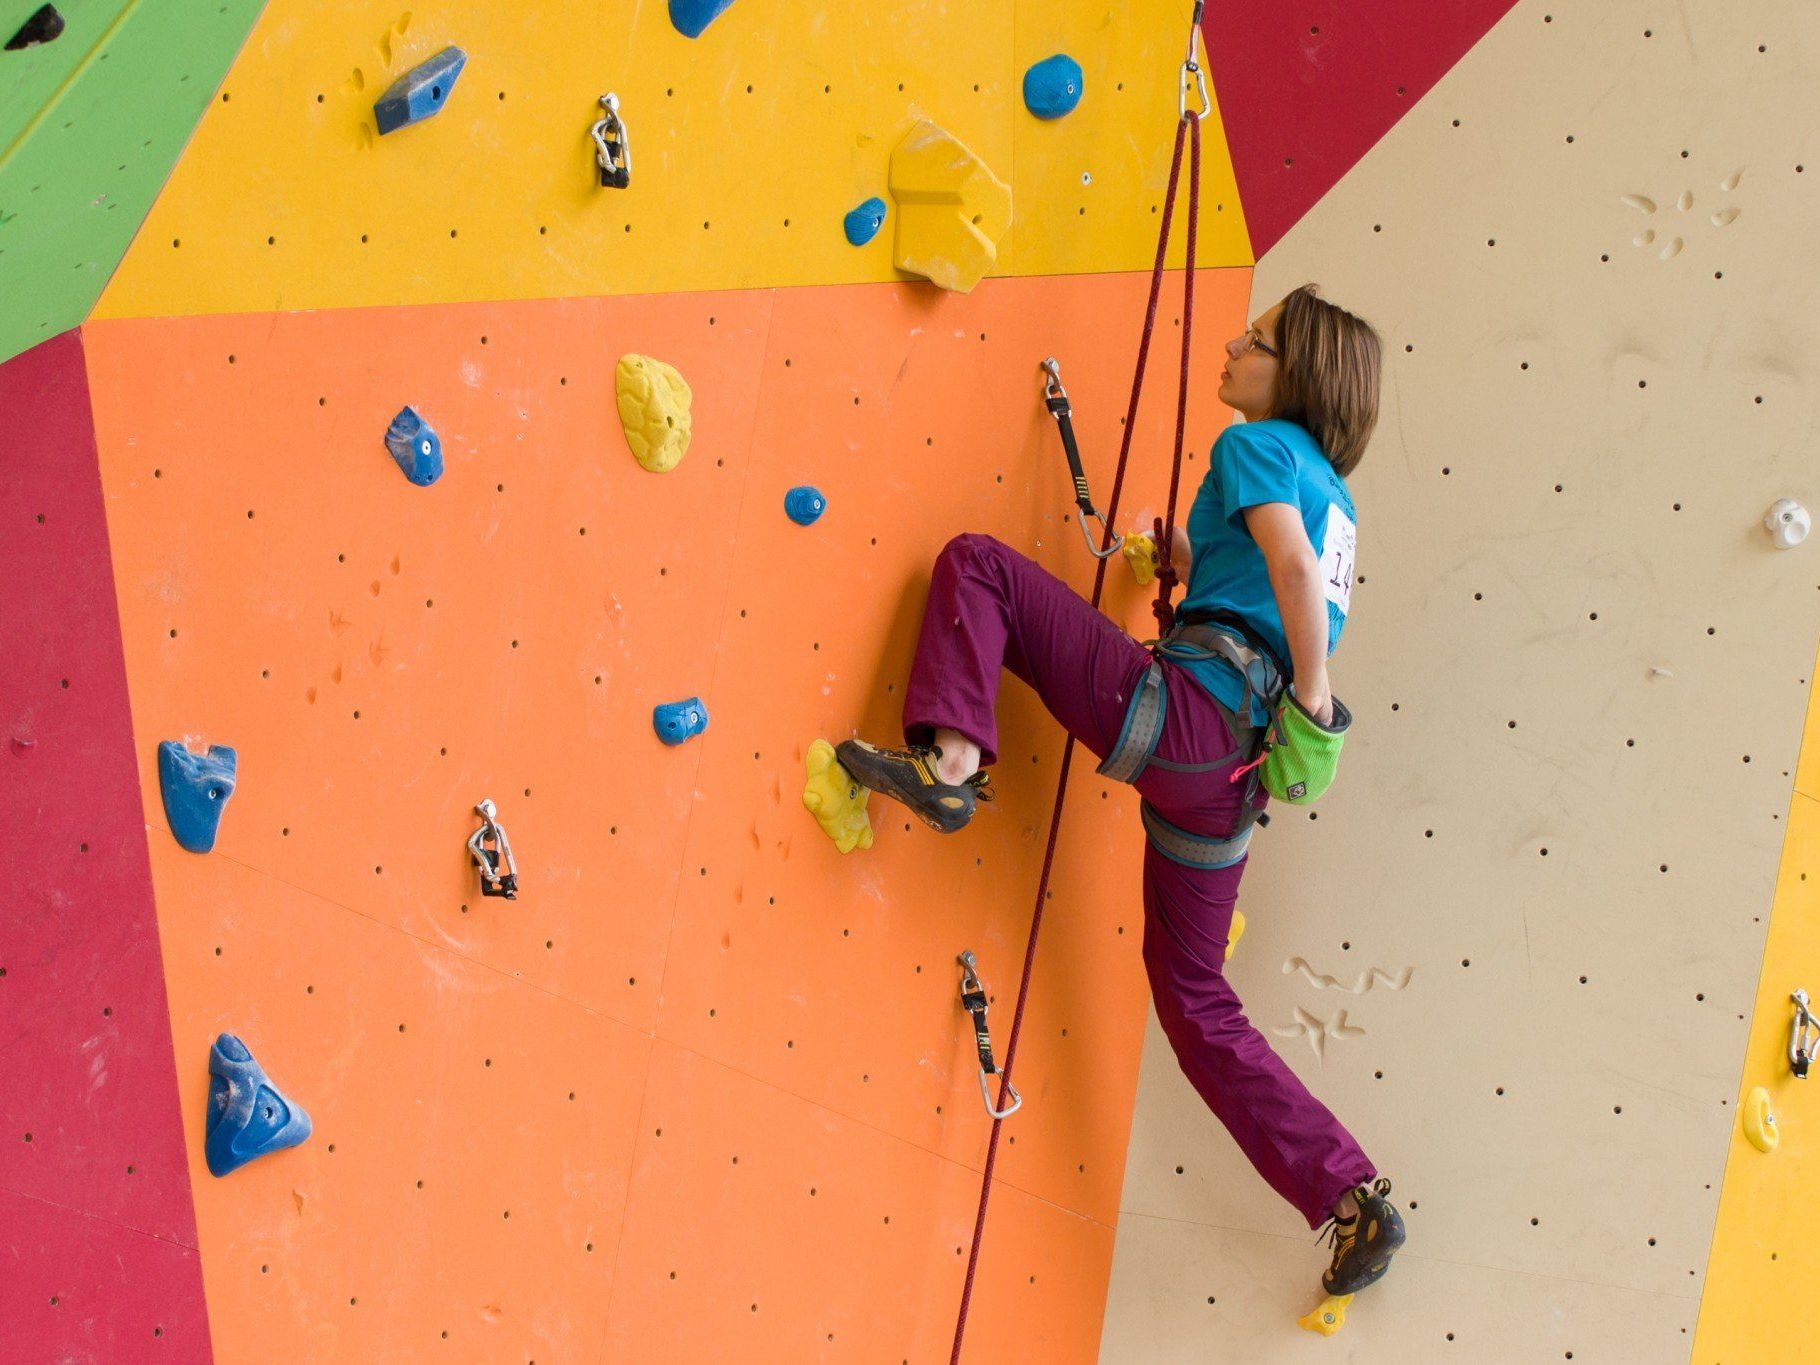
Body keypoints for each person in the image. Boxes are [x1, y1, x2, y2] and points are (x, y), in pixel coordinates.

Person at [834, 284, 1405, 1299]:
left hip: (1189, 719)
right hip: (1227, 786)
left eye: (1257, 340)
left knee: (979, 565)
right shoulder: (1339, 500)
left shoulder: (1252, 449)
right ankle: (1348, 1195)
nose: (1234, 344)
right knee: (1193, 1003)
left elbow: (1283, 564)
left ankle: (950, 766)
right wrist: (1184, 562)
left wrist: (1317, 701)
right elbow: (1276, 575)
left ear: (1296, 377)